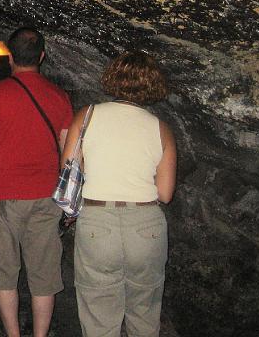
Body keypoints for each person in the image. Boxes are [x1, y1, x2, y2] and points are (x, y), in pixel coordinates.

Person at [0, 27, 72, 337]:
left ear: (9, 56)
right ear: (42, 56)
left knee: (5, 273)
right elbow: (68, 154)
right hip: (46, 196)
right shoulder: (59, 97)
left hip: (3, 196)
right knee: (43, 275)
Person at [61, 51, 177, 337]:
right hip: (146, 225)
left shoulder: (86, 116)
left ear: (112, 78)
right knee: (145, 311)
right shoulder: (161, 129)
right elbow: (165, 193)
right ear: (152, 84)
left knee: (99, 315)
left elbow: (67, 170)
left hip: (97, 223)